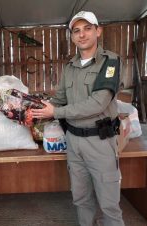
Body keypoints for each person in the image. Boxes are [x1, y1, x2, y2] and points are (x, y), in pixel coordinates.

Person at [32, 11, 125, 226]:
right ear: (72, 37)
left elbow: (98, 103)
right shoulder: (69, 67)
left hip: (100, 142)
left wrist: (54, 113)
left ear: (98, 31)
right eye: (76, 31)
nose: (82, 35)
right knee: (81, 199)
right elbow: (60, 99)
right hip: (73, 142)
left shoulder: (110, 62)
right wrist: (34, 110)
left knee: (109, 204)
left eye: (87, 28)